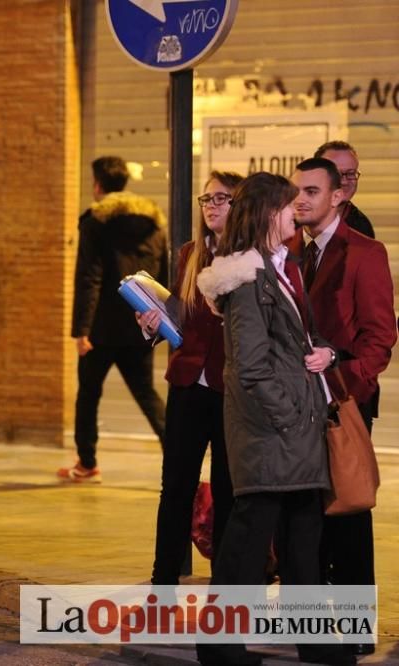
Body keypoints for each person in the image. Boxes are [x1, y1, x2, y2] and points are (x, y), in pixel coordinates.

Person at [195, 172, 352, 666]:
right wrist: (288, 415)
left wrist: (320, 351)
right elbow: (249, 365)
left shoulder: (279, 266)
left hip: (293, 432)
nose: (295, 212)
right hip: (272, 431)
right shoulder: (245, 278)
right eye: (288, 205)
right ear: (268, 213)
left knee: (303, 538)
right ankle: (219, 647)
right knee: (245, 543)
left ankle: (316, 641)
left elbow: (288, 346)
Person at [291, 157, 396, 657]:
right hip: (294, 408)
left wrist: (347, 383)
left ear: (338, 197)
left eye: (312, 191)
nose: (301, 200)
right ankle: (313, 626)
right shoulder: (292, 250)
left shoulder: (364, 251)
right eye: (297, 192)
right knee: (309, 517)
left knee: (348, 511)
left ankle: (355, 628)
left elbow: (380, 335)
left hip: (344, 403)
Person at [139, 171, 242, 585]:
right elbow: (180, 316)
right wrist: (151, 323)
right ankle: (162, 582)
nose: (212, 205)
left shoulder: (251, 258)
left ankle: (225, 585)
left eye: (222, 198)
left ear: (242, 206)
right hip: (187, 383)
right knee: (176, 487)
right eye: (207, 198)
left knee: (227, 490)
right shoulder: (189, 254)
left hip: (230, 388)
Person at [62, 156, 167, 483]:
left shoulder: (95, 221)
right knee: (148, 394)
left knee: (89, 394)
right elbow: (162, 273)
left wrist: (81, 330)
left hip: (102, 328)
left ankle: (87, 463)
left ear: (97, 185)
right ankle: (177, 454)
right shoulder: (153, 223)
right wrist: (157, 319)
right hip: (141, 324)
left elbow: (89, 277)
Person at [314, 140, 374, 238]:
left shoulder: (361, 226)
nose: (344, 182)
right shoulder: (295, 219)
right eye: (336, 174)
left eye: (350, 173)